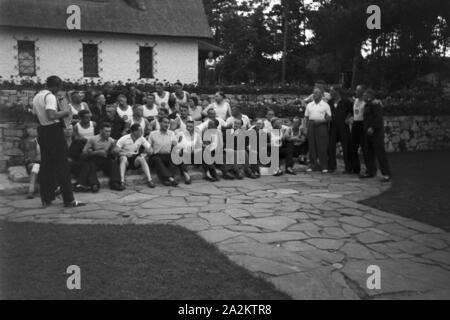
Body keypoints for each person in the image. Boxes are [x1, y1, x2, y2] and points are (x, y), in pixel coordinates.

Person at [32, 76, 84, 207]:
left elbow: (36, 116)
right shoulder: (50, 96)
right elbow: (51, 114)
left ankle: (46, 198)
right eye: (59, 87)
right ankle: (69, 200)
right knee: (62, 166)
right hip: (53, 131)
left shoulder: (37, 96)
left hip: (42, 131)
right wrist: (65, 112)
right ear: (56, 86)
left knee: (46, 166)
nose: (59, 90)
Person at [360, 89, 392, 182]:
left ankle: (386, 173)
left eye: (365, 95)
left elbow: (378, 118)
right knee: (368, 152)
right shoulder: (367, 105)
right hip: (367, 133)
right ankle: (370, 171)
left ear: (369, 96)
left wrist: (372, 127)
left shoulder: (376, 105)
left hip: (376, 134)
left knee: (380, 153)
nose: (363, 97)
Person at [82, 122, 123, 191]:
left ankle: (114, 183)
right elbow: (84, 154)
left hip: (104, 159)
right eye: (106, 131)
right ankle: (94, 184)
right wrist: (96, 152)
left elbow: (113, 151)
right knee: (90, 165)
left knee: (113, 164)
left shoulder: (111, 140)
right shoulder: (92, 139)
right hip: (93, 158)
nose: (108, 133)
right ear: (100, 131)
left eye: (109, 131)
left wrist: (116, 151)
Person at [116, 124, 155, 189]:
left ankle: (149, 180)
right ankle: (122, 181)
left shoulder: (141, 138)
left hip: (135, 159)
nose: (141, 132)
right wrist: (124, 153)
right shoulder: (124, 138)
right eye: (139, 131)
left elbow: (150, 148)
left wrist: (149, 151)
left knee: (142, 159)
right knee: (123, 158)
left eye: (141, 130)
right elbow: (115, 150)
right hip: (126, 158)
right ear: (133, 131)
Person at [305, 87, 331, 173]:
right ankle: (313, 165)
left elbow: (329, 118)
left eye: (316, 93)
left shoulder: (326, 105)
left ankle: (324, 165)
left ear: (321, 95)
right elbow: (306, 117)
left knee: (322, 146)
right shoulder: (309, 105)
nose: (314, 94)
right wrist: (306, 128)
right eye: (313, 93)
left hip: (321, 126)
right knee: (312, 146)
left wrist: (321, 121)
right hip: (311, 125)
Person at [147, 117, 180, 186]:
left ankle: (165, 179)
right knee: (157, 160)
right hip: (156, 156)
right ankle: (171, 178)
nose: (167, 124)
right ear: (160, 123)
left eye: (168, 123)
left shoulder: (171, 133)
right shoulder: (153, 134)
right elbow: (148, 146)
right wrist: (150, 150)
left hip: (167, 155)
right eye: (165, 122)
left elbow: (175, 144)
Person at [328, 85, 353, 173]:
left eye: (331, 91)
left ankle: (348, 168)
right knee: (331, 147)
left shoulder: (346, 102)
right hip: (332, 127)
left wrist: (348, 117)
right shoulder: (329, 102)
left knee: (346, 147)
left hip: (343, 127)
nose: (330, 93)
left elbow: (352, 111)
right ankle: (331, 166)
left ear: (336, 92)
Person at [175, 119, 202, 184]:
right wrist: (178, 150)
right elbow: (174, 144)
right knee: (181, 154)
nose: (188, 128)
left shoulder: (197, 135)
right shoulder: (180, 134)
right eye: (187, 126)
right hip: (183, 154)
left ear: (194, 128)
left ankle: (209, 172)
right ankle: (187, 176)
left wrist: (194, 151)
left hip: (193, 155)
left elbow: (200, 146)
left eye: (190, 127)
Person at [350, 84, 369, 175]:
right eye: (356, 90)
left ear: (362, 92)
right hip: (355, 124)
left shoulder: (366, 102)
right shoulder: (355, 100)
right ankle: (355, 168)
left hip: (362, 124)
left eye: (358, 90)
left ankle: (369, 169)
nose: (356, 92)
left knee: (365, 148)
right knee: (353, 146)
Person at [22, 126, 41, 199]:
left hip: (41, 163)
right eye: (34, 129)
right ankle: (32, 189)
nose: (36, 131)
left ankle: (31, 190)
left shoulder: (40, 140)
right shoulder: (26, 142)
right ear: (29, 131)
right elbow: (30, 158)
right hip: (31, 164)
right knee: (36, 166)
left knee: (37, 166)